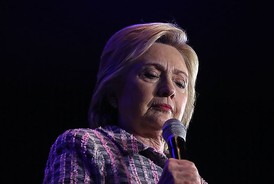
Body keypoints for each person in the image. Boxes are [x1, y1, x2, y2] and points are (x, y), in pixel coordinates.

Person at [43, 22, 208, 184]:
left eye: (180, 83)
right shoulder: (86, 144)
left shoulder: (196, 180)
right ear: (114, 94)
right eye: (151, 74)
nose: (169, 89)